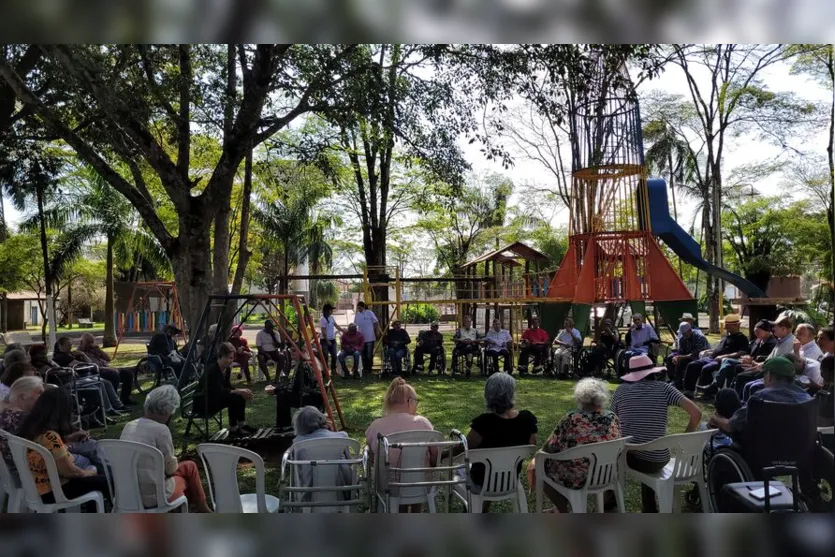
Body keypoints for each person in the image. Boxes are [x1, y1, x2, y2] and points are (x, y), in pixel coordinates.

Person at [611, 354, 702, 513]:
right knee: (649, 449)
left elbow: (611, 421)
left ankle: (610, 503)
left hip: (632, 456)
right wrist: (685, 438)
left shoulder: (621, 391)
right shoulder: (665, 388)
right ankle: (649, 508)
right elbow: (696, 413)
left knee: (617, 454)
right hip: (661, 457)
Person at [527, 378, 621, 513]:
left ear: (580, 398)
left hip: (577, 479)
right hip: (605, 474)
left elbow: (549, 447)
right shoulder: (612, 417)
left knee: (538, 465)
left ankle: (562, 510)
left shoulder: (571, 418)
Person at [120, 385, 212, 512]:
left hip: (128, 494)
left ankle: (193, 509)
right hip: (154, 497)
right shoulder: (161, 430)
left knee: (187, 468)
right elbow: (170, 470)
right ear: (168, 410)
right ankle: (203, 509)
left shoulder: (129, 426)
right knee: (190, 468)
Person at [15, 386, 111, 508]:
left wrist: (68, 439)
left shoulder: (30, 428)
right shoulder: (50, 436)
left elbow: (47, 448)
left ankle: (95, 508)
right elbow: (70, 472)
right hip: (57, 490)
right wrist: (89, 472)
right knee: (108, 481)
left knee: (95, 475)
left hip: (39, 488)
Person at [464, 373, 538, 506]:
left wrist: (441, 455)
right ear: (511, 394)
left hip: (481, 482)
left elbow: (464, 449)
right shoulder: (527, 420)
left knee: (460, 469)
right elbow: (532, 445)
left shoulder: (484, 423)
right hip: (510, 479)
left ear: (488, 394)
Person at [365, 378, 435, 512]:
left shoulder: (376, 426)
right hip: (419, 485)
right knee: (417, 477)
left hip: (388, 486)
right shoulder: (423, 423)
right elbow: (435, 455)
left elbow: (372, 459)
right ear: (410, 401)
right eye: (416, 401)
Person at [709, 356, 812, 442]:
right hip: (796, 448)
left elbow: (731, 426)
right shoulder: (807, 397)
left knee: (726, 395)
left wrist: (716, 419)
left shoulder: (761, 397)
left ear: (769, 375)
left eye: (764, 375)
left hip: (760, 448)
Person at [700, 319, 778, 397]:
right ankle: (726, 390)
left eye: (758, 332)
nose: (756, 334)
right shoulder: (757, 341)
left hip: (757, 365)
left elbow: (769, 358)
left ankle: (721, 388)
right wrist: (747, 357)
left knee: (730, 364)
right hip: (747, 361)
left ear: (766, 331)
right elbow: (748, 351)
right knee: (727, 363)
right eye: (755, 332)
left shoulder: (772, 343)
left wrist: (753, 360)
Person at [291, 406, 354, 502]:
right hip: (343, 490)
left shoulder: (298, 443)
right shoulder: (342, 436)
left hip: (309, 493)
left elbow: (299, 470)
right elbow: (350, 462)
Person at [52, 336, 127, 417]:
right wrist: (83, 357)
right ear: (61, 346)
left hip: (83, 376)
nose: (70, 347)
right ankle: (108, 409)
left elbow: (91, 363)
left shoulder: (70, 354)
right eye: (68, 345)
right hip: (74, 379)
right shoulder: (62, 356)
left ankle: (117, 405)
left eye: (71, 345)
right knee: (100, 383)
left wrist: (83, 355)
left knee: (107, 382)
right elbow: (81, 365)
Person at [195, 342, 255, 436]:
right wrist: (239, 391)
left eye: (231, 358)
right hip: (204, 402)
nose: (230, 361)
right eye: (227, 358)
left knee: (239, 396)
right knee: (234, 397)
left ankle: (240, 425)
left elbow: (227, 386)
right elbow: (219, 391)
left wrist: (242, 390)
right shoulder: (212, 370)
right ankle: (234, 428)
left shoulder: (226, 369)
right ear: (219, 357)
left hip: (214, 397)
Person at [682, 313, 749, 397]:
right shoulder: (726, 336)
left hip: (723, 360)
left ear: (735, 325)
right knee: (692, 365)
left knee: (706, 368)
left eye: (727, 325)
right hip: (712, 357)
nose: (725, 326)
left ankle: (707, 392)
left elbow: (742, 352)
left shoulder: (742, 338)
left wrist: (724, 356)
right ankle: (689, 390)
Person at [0, 376, 46, 472]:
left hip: (9, 470)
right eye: (39, 393)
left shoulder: (5, 413)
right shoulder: (26, 419)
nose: (44, 397)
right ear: (23, 396)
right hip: (29, 470)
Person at [79, 332, 136, 406]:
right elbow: (91, 366)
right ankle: (114, 401)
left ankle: (125, 398)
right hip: (96, 371)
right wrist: (108, 369)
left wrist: (99, 351)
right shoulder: (80, 353)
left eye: (92, 342)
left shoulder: (94, 350)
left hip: (107, 368)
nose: (90, 344)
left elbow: (108, 359)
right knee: (113, 374)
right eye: (88, 342)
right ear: (81, 342)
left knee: (128, 373)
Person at [741, 353, 823, 401]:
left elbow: (735, 423)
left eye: (764, 374)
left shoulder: (759, 397)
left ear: (769, 376)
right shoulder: (807, 399)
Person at [669, 322, 710, 396]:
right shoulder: (682, 338)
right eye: (682, 333)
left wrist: (681, 357)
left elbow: (696, 354)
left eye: (685, 333)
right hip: (688, 356)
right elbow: (681, 352)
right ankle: (676, 382)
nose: (683, 335)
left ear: (690, 330)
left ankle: (689, 389)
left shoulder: (700, 338)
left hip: (702, 357)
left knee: (691, 364)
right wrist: (677, 357)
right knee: (673, 359)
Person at [354, 302, 381, 374]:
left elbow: (376, 322)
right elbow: (355, 325)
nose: (359, 309)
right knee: (363, 354)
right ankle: (365, 368)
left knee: (369, 355)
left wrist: (377, 331)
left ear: (363, 307)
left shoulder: (369, 313)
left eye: (360, 308)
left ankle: (369, 368)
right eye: (358, 308)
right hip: (361, 339)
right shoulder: (357, 315)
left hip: (370, 337)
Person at [319, 304, 345, 375]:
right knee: (325, 355)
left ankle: (333, 369)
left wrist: (343, 330)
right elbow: (323, 331)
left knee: (334, 355)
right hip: (324, 340)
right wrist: (327, 340)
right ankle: (325, 371)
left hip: (332, 339)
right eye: (331, 310)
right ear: (327, 310)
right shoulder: (322, 319)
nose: (332, 311)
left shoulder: (332, 318)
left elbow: (336, 326)